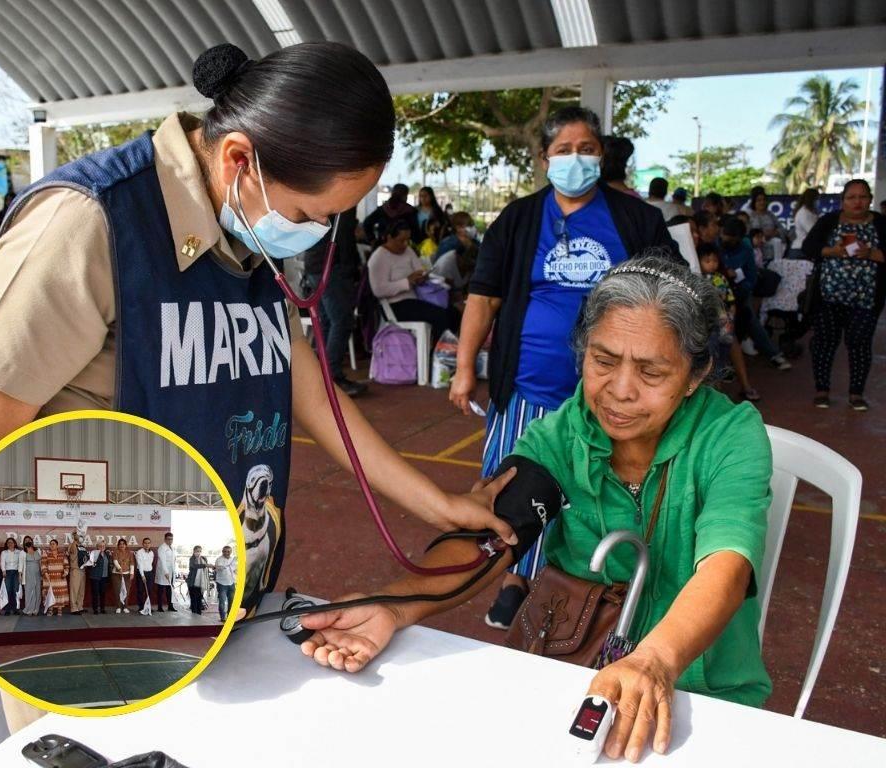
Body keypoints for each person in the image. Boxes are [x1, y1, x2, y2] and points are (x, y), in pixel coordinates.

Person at [0, 41, 515, 633]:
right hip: (99, 612)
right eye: (307, 214)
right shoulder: (90, 221)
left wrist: (440, 506)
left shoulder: (248, 228)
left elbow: (314, 396)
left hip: (215, 598)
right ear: (239, 158)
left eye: (331, 218)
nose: (315, 233)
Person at [300, 257, 773, 763]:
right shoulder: (560, 436)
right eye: (603, 361)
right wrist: (394, 603)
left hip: (702, 690)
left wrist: (655, 659)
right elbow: (493, 538)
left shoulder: (731, 435)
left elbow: (726, 566)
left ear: (696, 373)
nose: (620, 390)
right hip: (571, 672)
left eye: (652, 371)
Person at [448, 105, 681, 630]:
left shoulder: (636, 219)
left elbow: (672, 292)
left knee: (599, 484)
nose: (576, 159)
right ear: (544, 158)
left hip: (613, 391)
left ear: (602, 155)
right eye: (564, 150)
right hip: (528, 383)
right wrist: (465, 369)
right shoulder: (520, 218)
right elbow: (483, 299)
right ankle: (515, 576)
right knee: (514, 480)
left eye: (587, 149)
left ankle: (589, 583)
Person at [803, 178, 885, 411]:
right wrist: (834, 251)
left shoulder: (880, 223)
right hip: (828, 297)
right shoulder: (829, 221)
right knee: (824, 342)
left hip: (866, 299)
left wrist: (871, 253)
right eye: (851, 197)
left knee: (859, 343)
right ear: (842, 201)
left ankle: (856, 393)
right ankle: (822, 389)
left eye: (863, 197)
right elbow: (809, 248)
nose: (857, 202)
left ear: (870, 199)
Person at [301, 206, 366, 396]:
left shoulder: (326, 192)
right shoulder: (344, 200)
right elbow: (343, 237)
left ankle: (324, 376)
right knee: (341, 320)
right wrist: (351, 268)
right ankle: (332, 377)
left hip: (316, 263)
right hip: (331, 265)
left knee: (328, 321)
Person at [719, 217, 791, 371]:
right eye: (725, 236)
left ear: (739, 238)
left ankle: (773, 353)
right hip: (717, 293)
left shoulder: (745, 248)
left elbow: (751, 277)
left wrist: (741, 287)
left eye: (732, 239)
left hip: (739, 293)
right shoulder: (716, 245)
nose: (727, 241)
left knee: (751, 321)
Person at [368, 219, 456, 344]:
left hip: (415, 299)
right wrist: (407, 281)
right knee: (439, 316)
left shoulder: (408, 251)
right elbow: (378, 290)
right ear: (389, 238)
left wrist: (421, 277)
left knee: (452, 313)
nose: (405, 244)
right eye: (401, 240)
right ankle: (439, 356)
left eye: (408, 240)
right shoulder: (379, 257)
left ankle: (449, 351)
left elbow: (419, 270)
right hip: (395, 305)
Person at [698, 243, 759, 402]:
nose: (712, 264)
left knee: (723, 350)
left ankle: (722, 379)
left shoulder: (721, 278)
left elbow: (730, 297)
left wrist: (731, 312)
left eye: (714, 261)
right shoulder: (697, 280)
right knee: (711, 354)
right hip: (708, 324)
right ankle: (715, 387)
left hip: (724, 321)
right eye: (707, 261)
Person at [430, 220, 478, 309]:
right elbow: (445, 296)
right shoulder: (446, 265)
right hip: (441, 301)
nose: (468, 266)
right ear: (458, 256)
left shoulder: (471, 264)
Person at [40, 538, 69, 617]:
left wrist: (65, 573)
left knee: (60, 593)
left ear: (57, 545)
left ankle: (59, 610)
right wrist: (46, 574)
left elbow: (66, 565)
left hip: (60, 579)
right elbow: (43, 565)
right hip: (49, 579)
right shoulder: (45, 554)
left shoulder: (62, 554)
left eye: (53, 544)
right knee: (50, 594)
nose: (52, 545)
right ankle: (50, 610)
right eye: (51, 544)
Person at [790, 188, 819, 258]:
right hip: (800, 250)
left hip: (807, 248)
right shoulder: (803, 213)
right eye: (816, 199)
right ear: (811, 200)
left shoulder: (812, 213)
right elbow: (812, 231)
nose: (818, 201)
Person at [212, 545, 237, 622]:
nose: (227, 553)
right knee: (222, 601)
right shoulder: (219, 560)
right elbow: (216, 569)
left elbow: (234, 570)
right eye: (225, 551)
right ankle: (223, 618)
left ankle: (230, 617)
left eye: (228, 551)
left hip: (231, 583)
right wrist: (219, 567)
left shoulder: (233, 559)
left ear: (231, 552)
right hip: (222, 584)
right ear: (222, 552)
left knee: (232, 602)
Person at [111, 538, 135, 613]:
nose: (122, 545)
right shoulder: (115, 552)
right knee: (118, 591)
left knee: (126, 591)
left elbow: (132, 563)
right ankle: (118, 607)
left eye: (123, 544)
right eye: (120, 544)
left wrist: (131, 573)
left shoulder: (130, 553)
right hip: (117, 574)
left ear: (126, 545)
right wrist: (119, 568)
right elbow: (115, 561)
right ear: (118, 545)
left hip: (127, 575)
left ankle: (125, 607)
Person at [155, 532, 177, 612]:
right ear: (165, 539)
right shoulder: (162, 548)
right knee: (161, 590)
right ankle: (159, 607)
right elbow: (163, 561)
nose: (170, 541)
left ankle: (170, 606)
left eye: (171, 539)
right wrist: (166, 572)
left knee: (169, 590)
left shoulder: (172, 548)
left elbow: (173, 561)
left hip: (171, 572)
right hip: (163, 572)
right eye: (168, 539)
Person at [0, 537, 21, 616]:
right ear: (7, 544)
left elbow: (20, 563)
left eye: (11, 542)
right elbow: (2, 562)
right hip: (7, 573)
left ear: (15, 543)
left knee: (15, 590)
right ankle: (7, 609)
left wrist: (20, 573)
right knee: (7, 591)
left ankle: (15, 609)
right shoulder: (4, 552)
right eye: (8, 542)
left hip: (16, 572)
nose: (10, 544)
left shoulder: (19, 552)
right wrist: (3, 571)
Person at [67, 531, 88, 615]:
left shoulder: (82, 546)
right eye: (79, 536)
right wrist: (75, 538)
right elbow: (71, 551)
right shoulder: (72, 546)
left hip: (82, 570)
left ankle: (80, 606)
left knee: (81, 590)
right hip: (75, 569)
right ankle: (74, 608)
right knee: (74, 590)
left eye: (81, 536)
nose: (81, 537)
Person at [88, 541, 110, 615]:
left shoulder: (107, 554)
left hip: (104, 576)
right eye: (100, 546)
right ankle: (95, 609)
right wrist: (92, 564)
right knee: (95, 593)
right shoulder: (94, 554)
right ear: (97, 547)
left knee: (103, 593)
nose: (102, 547)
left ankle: (102, 608)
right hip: (95, 577)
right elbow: (89, 565)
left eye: (103, 545)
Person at [135, 536, 156, 613]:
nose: (147, 545)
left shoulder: (152, 553)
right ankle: (141, 607)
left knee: (149, 590)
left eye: (148, 543)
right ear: (143, 544)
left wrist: (148, 574)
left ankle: (148, 606)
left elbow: (150, 563)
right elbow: (140, 565)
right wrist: (142, 575)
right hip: (141, 573)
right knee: (140, 591)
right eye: (145, 543)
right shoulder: (139, 552)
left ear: (150, 544)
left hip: (150, 573)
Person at [21, 541, 42, 616]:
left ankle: (36, 610)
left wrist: (41, 573)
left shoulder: (37, 552)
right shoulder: (23, 553)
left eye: (30, 547)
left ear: (32, 546)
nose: (29, 548)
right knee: (29, 591)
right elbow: (21, 565)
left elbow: (40, 563)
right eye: (27, 547)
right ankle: (29, 610)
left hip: (37, 574)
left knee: (37, 591)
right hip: (28, 574)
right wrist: (20, 575)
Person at [187, 546, 209, 614]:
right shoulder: (192, 559)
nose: (198, 553)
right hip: (192, 581)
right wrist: (205, 565)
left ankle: (199, 612)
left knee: (199, 598)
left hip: (201, 582)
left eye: (199, 551)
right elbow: (194, 566)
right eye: (197, 551)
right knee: (193, 598)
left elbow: (206, 569)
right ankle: (194, 612)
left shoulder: (203, 558)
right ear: (193, 551)